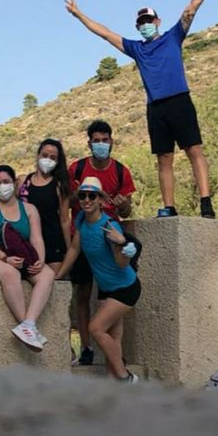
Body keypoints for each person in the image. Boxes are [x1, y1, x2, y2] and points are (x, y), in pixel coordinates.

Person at [65, 0, 218, 219]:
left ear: (157, 21)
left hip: (179, 100)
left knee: (194, 150)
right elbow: (106, 34)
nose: (145, 25)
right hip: (156, 107)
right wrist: (80, 15)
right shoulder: (137, 49)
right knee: (164, 158)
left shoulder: (173, 36)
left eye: (149, 20)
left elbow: (192, 7)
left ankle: (205, 201)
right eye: (141, 23)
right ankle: (169, 206)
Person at [56, 176, 141, 384]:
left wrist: (123, 245)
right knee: (114, 336)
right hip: (106, 288)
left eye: (92, 196)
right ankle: (114, 381)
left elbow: (121, 264)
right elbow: (74, 249)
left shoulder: (109, 227)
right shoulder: (81, 221)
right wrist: (58, 276)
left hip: (125, 287)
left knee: (96, 328)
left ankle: (125, 377)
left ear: (101, 200)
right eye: (82, 196)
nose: (86, 200)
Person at [67, 119, 135, 366]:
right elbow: (67, 202)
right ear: (89, 143)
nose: (100, 145)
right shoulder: (76, 169)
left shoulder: (121, 171)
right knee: (83, 293)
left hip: (109, 240)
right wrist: (80, 193)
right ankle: (86, 348)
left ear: (112, 142)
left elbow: (126, 211)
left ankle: (114, 354)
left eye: (104, 140)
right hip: (83, 238)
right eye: (96, 141)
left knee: (111, 297)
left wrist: (123, 205)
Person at [0, 165, 55, 351]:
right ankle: (26, 326)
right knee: (10, 273)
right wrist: (5, 258)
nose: (2, 186)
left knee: (47, 275)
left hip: (22, 256)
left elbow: (36, 238)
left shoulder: (29, 209)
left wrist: (40, 260)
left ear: (15, 183)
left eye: (6, 182)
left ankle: (29, 324)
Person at [17, 138, 71, 274]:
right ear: (38, 155)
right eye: (45, 155)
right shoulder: (23, 182)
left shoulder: (59, 185)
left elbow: (64, 220)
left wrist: (69, 250)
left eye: (53, 158)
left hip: (53, 242)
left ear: (58, 162)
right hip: (26, 242)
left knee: (55, 280)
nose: (48, 160)